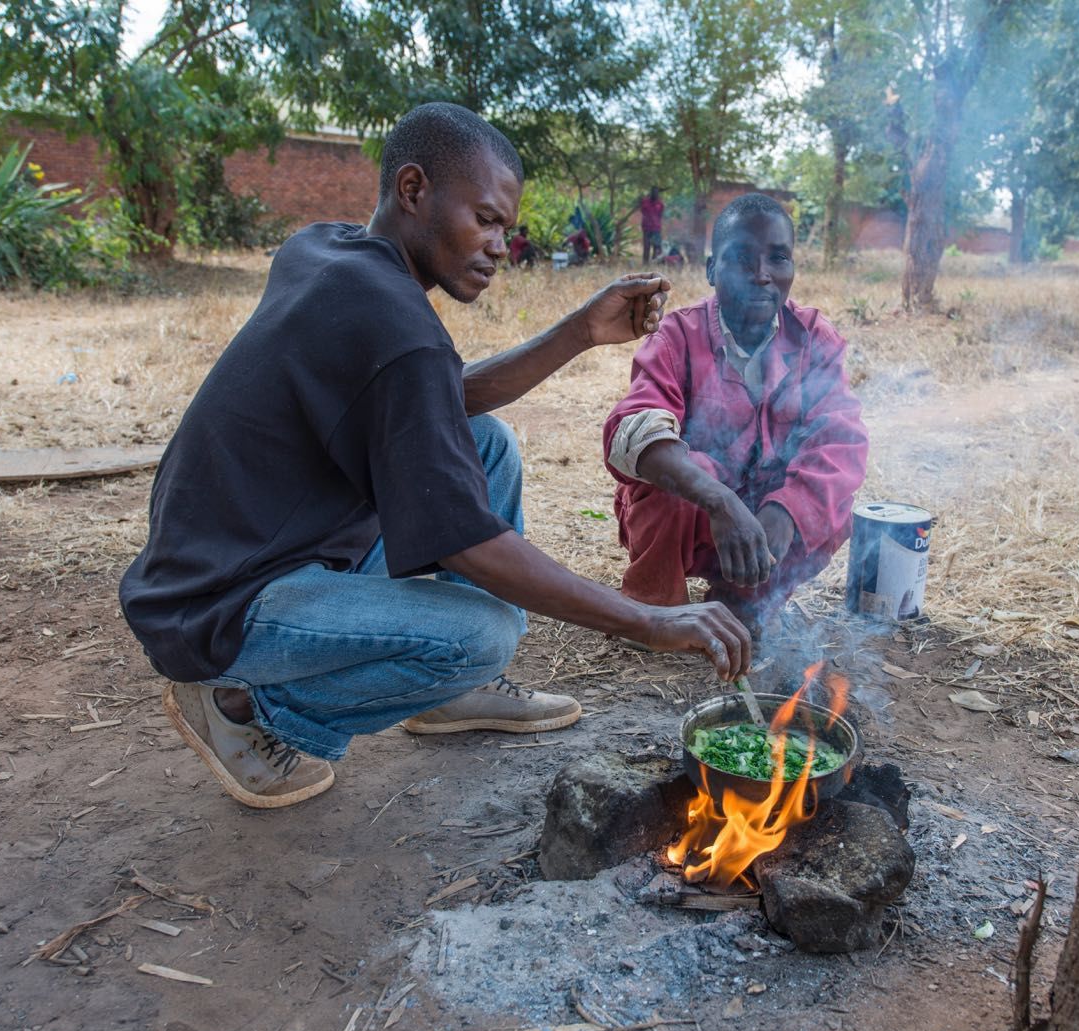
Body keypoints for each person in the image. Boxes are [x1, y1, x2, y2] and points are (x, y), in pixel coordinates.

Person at [120, 103, 749, 810]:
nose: (497, 247)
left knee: (486, 444)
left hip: (217, 556)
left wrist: (576, 333)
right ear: (414, 189)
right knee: (484, 633)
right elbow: (471, 543)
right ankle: (248, 713)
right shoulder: (397, 328)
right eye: (484, 219)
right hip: (222, 607)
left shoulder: (327, 249)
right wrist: (650, 619)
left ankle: (449, 695)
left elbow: (439, 396)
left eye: (504, 229)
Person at [602, 194, 868, 635]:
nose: (762, 275)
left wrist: (784, 512)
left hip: (765, 528)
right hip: (693, 523)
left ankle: (746, 601)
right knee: (679, 476)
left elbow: (840, 441)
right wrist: (721, 502)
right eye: (742, 258)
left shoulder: (814, 339)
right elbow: (632, 432)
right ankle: (655, 607)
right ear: (711, 270)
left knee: (827, 501)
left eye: (778, 258)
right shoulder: (676, 336)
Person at [640, 186, 665, 264]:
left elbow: (660, 215)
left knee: (656, 247)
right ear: (651, 193)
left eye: (657, 192)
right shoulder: (645, 202)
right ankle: (645, 263)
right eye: (654, 192)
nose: (655, 194)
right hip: (646, 228)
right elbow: (642, 211)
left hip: (656, 228)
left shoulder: (660, 204)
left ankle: (654, 263)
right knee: (646, 247)